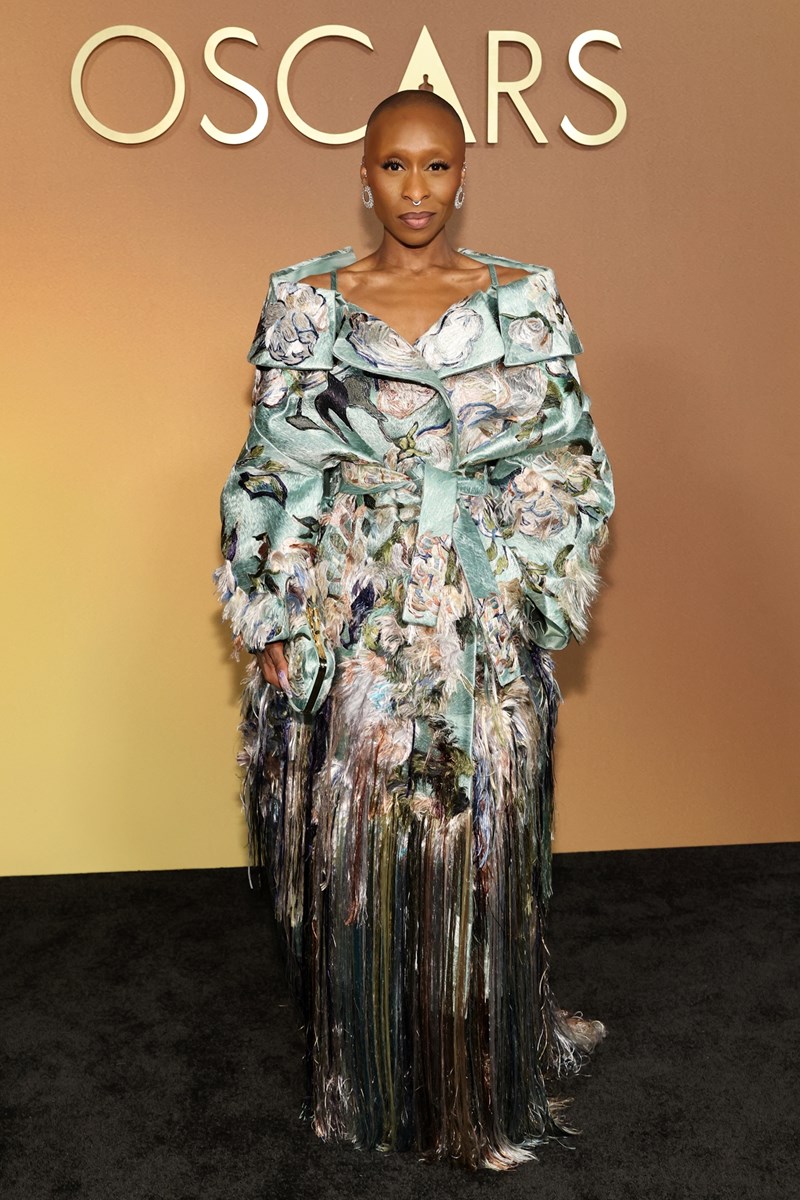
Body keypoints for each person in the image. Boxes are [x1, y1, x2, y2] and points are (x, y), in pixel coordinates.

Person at [213, 86, 615, 1171]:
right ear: (364, 175)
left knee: (477, 844)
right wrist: (272, 607)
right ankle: (374, 1082)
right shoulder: (304, 299)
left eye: (436, 166)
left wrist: (529, 592)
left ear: (462, 172)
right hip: (354, 612)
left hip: (475, 612)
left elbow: (564, 462)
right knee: (364, 848)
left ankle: (484, 1078)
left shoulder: (518, 299)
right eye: (395, 166)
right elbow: (272, 468)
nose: (416, 189)